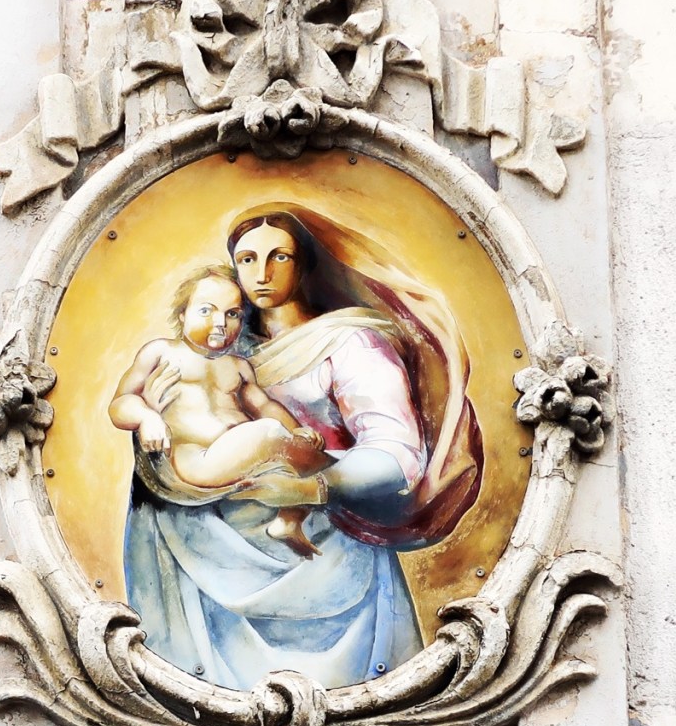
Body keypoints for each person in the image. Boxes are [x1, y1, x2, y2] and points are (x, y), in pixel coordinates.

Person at [120, 205, 483, 691]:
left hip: (322, 561)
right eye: (247, 259)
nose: (262, 273)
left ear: (306, 262)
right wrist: (153, 417)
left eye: (280, 257)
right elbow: (150, 418)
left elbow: (398, 456)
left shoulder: (349, 342)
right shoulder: (220, 347)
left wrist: (312, 489)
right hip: (204, 558)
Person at [108, 265, 328, 556]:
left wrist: (296, 430)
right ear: (182, 314)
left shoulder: (238, 366)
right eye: (206, 311)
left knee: (297, 459)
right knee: (272, 434)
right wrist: (147, 417)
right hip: (195, 462)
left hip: (242, 459)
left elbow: (264, 406)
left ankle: (288, 521)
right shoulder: (162, 352)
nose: (221, 322)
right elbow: (120, 403)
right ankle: (336, 480)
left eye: (232, 314)